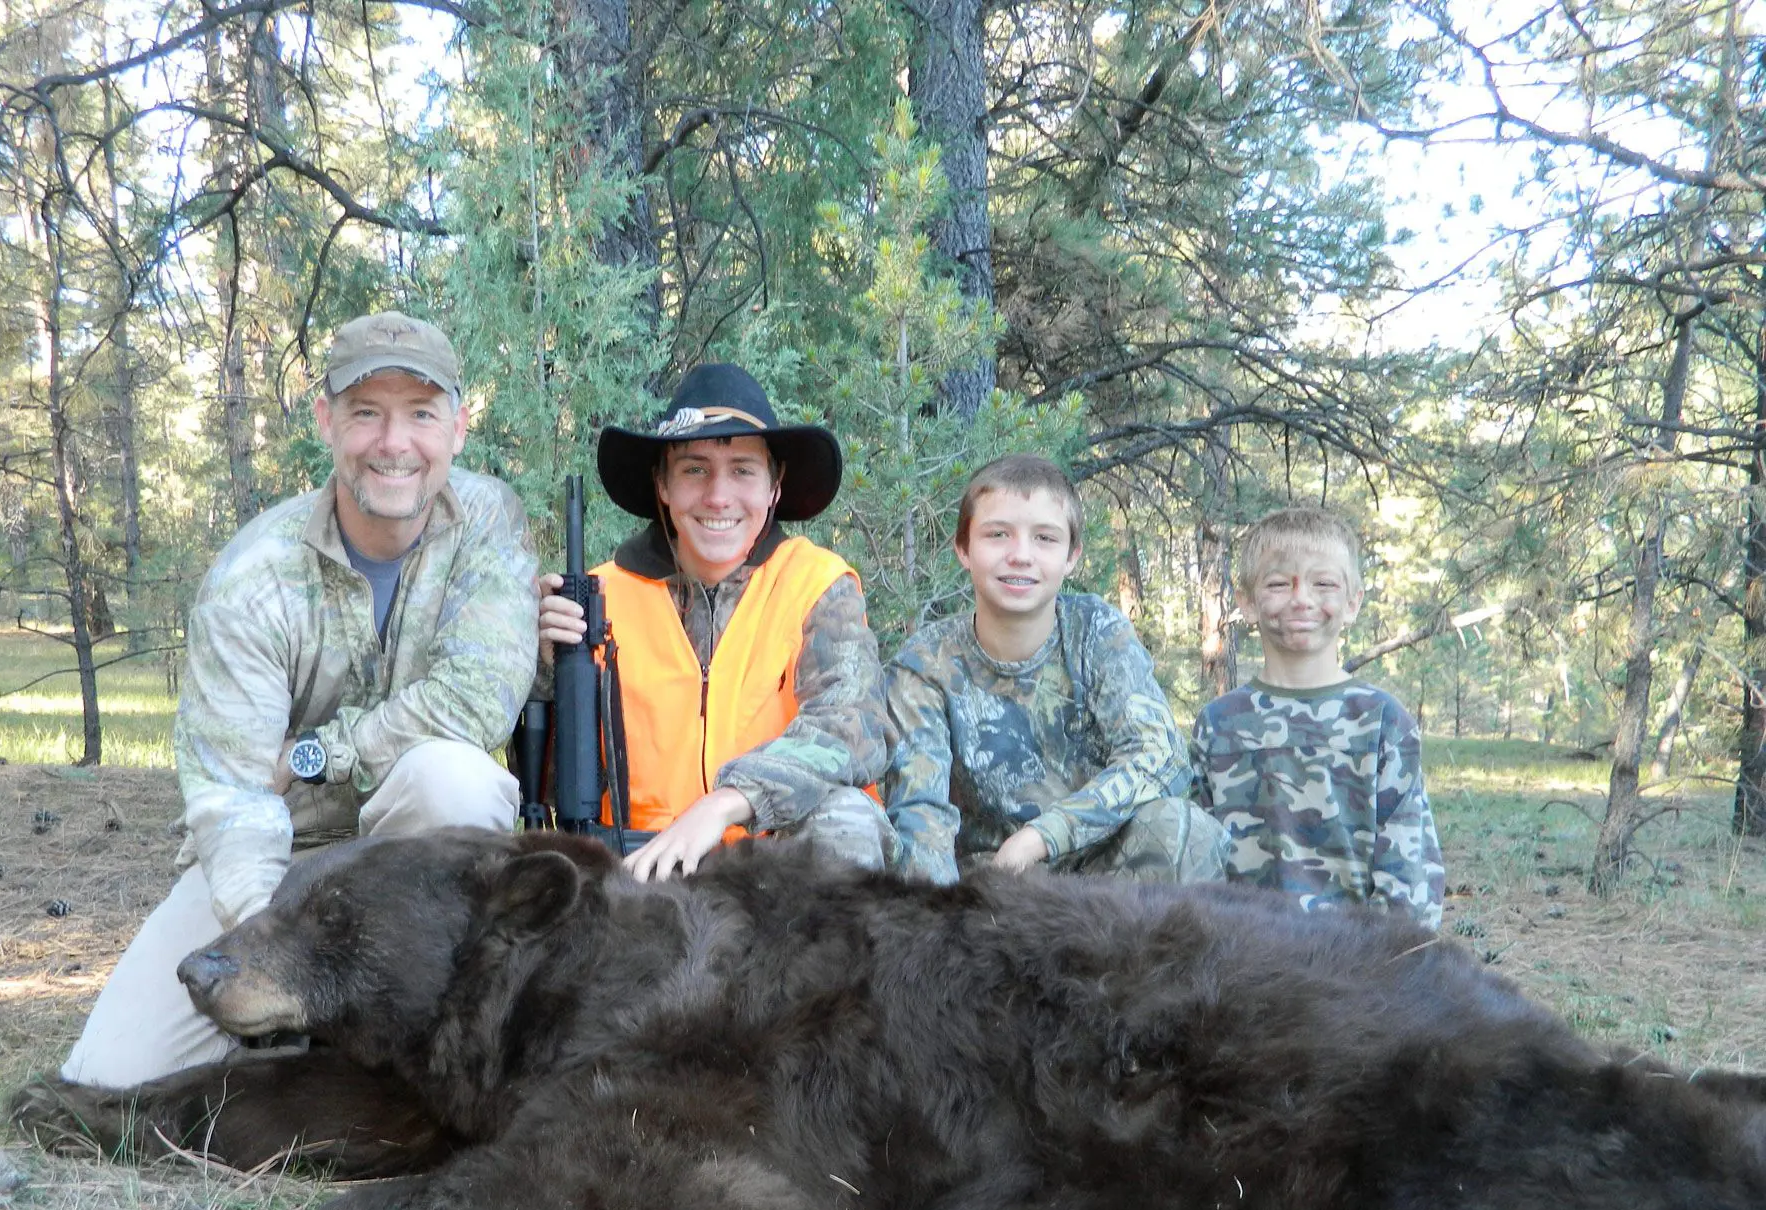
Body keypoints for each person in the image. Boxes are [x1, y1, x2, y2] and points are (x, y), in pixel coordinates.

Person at [61, 312, 538, 1088]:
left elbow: (476, 702)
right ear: (326, 421)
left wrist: (319, 754)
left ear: (457, 425)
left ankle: (435, 1045)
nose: (394, 443)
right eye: (366, 413)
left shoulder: (488, 520)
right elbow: (234, 798)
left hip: (410, 843)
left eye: (420, 414)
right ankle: (317, 1032)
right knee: (111, 1077)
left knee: (458, 778)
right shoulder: (252, 578)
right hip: (285, 858)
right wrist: (277, 944)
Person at [535, 363, 890, 881]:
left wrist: (725, 804)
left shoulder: (817, 584)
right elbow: (544, 789)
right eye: (695, 469)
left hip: (772, 870)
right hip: (639, 869)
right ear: (663, 484)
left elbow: (850, 728)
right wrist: (548, 670)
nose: (718, 496)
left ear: (774, 486)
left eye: (743, 469)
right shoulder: (596, 599)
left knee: (849, 820)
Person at [884, 453, 1226, 884]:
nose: (1020, 555)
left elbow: (1159, 757)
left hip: (1100, 870)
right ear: (963, 550)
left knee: (1184, 829)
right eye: (997, 535)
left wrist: (1041, 836)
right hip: (987, 885)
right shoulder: (925, 664)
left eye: (1044, 538)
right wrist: (939, 920)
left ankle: (1155, 954)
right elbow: (920, 813)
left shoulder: (1096, 633)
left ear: (1072, 556)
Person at [1191, 506, 1445, 929]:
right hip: (1242, 962)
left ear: (1352, 603)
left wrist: (1377, 966)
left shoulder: (1382, 721)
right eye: (1278, 583)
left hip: (1353, 967)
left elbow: (1410, 886)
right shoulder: (1218, 724)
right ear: (1247, 604)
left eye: (1323, 583)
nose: (1301, 599)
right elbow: (1198, 868)